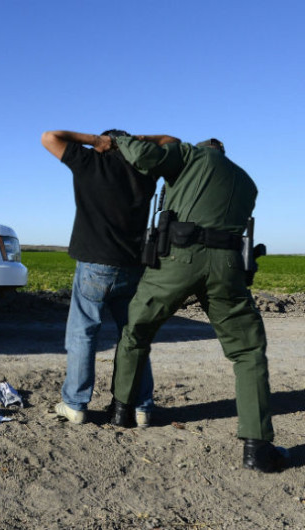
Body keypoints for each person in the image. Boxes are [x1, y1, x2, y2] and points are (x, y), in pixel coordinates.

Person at [109, 135, 289, 473]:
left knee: (136, 332)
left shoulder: (191, 156)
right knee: (248, 352)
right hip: (228, 267)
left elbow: (145, 156)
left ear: (202, 149)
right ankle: (256, 447)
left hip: (178, 258)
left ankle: (121, 412)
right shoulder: (247, 183)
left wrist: (120, 138)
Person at [41, 130, 157, 426]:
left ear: (103, 145)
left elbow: (49, 137)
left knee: (82, 333)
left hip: (94, 264)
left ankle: (76, 404)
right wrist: (138, 141)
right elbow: (173, 141)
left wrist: (94, 141)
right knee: (133, 337)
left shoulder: (89, 161)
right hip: (132, 266)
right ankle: (142, 407)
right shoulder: (144, 168)